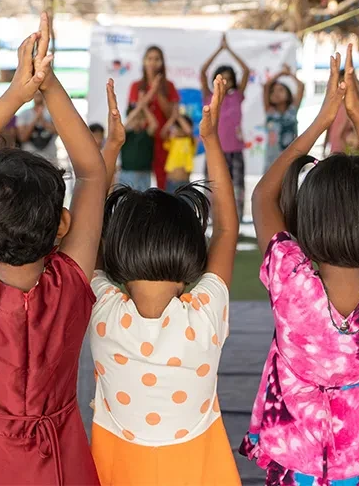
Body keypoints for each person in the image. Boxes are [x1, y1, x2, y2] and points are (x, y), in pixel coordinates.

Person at [0, 14, 106, 486]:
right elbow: (92, 171)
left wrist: (18, 91)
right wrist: (46, 85)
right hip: (61, 458)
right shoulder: (71, 281)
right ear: (62, 224)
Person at [241, 46, 359, 484]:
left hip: (295, 458)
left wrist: (321, 122)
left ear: (309, 216)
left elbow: (264, 195)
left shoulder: (290, 278)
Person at [90, 75, 240, 485]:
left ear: (117, 251)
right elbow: (227, 230)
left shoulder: (101, 308)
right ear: (192, 254)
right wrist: (209, 139)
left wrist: (113, 145)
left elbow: (86, 230)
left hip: (116, 470)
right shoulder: (204, 315)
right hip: (198, 470)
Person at [200, 34, 250, 217]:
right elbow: (203, 71)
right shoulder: (209, 96)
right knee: (213, 186)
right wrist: (218, 50)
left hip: (235, 150)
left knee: (236, 186)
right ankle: (212, 220)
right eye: (221, 79)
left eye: (228, 79)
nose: (225, 82)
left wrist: (228, 50)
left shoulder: (237, 95)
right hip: (215, 150)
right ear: (215, 80)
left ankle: (235, 220)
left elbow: (246, 70)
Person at [128, 46, 180, 189]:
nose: (153, 62)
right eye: (149, 58)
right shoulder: (136, 86)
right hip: (142, 140)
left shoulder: (169, 86)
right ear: (144, 61)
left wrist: (157, 91)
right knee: (138, 185)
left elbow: (172, 114)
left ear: (162, 62)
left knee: (163, 183)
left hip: (162, 140)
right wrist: (150, 90)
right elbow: (134, 113)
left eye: (157, 59)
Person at [263, 64, 305, 170]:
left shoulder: (292, 110)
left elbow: (301, 86)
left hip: (290, 156)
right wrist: (281, 73)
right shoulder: (270, 111)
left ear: (288, 94)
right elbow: (267, 86)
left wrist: (289, 74)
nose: (276, 93)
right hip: (273, 157)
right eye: (273, 91)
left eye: (281, 90)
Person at [116, 95, 158, 192]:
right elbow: (123, 126)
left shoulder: (146, 133)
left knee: (143, 202)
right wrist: (138, 108)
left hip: (144, 174)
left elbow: (154, 124)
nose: (138, 122)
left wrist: (144, 107)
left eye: (141, 118)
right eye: (135, 118)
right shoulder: (125, 133)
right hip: (127, 174)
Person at [17, 90, 58, 164]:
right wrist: (36, 119)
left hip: (50, 158)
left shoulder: (53, 113)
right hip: (30, 158)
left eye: (41, 94)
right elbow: (23, 137)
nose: (39, 96)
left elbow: (59, 132)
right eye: (36, 94)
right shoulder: (24, 114)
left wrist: (42, 120)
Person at [161, 110, 195, 193]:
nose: (175, 130)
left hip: (185, 183)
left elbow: (188, 131)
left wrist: (178, 117)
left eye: (177, 127)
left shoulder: (190, 141)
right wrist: (173, 118)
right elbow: (163, 133)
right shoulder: (172, 141)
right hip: (171, 182)